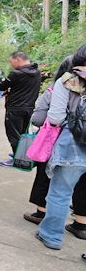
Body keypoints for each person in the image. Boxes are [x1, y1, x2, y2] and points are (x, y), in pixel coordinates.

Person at [25, 56, 86, 240]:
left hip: (73, 145)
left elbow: (55, 118)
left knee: (61, 191)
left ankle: (51, 236)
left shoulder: (68, 81)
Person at [0, 51, 42, 167]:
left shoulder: (16, 74)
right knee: (24, 134)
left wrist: (7, 86)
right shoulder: (37, 73)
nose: (11, 64)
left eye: (11, 61)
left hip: (15, 109)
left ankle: (18, 160)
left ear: (18, 59)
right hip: (30, 108)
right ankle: (23, 155)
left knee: (14, 135)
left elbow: (1, 87)